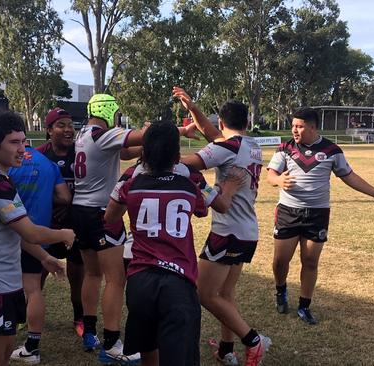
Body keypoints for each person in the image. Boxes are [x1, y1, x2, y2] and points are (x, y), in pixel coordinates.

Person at [71, 94, 196, 363]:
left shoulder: (83, 134)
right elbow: (144, 136)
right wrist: (182, 130)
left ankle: (89, 331)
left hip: (79, 209)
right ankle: (113, 342)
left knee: (92, 274)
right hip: (100, 212)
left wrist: (149, 147)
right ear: (109, 112)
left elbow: (128, 152)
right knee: (116, 279)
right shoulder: (102, 134)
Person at [0, 109, 74, 366]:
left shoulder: (2, 178)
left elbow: (16, 232)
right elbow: (30, 231)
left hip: (8, 283)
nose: (22, 149)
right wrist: (64, 234)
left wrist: (45, 258)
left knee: (4, 353)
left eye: (24, 141)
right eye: (14, 142)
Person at [173, 87, 270, 366]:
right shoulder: (251, 145)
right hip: (247, 230)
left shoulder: (226, 147)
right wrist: (193, 109)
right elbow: (215, 137)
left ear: (222, 123)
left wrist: (163, 147)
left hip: (227, 231)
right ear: (247, 124)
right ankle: (227, 350)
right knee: (225, 294)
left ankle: (253, 340)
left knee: (204, 294)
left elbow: (183, 163)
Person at [103, 122, 213, 366]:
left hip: (140, 279)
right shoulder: (188, 186)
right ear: (176, 156)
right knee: (180, 355)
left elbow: (109, 217)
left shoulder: (130, 185)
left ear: (144, 153)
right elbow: (203, 211)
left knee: (147, 346)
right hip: (179, 281)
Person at [266, 107, 374, 325]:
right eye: (293, 125)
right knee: (280, 261)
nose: (294, 130)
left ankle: (304, 306)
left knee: (310, 261)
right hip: (288, 212)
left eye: (299, 126)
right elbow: (271, 175)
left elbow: (349, 177)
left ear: (313, 127)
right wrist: (278, 181)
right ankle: (281, 290)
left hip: (317, 213)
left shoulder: (332, 150)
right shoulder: (285, 148)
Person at [8, 140, 72, 364]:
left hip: (9, 233)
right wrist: (46, 197)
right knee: (33, 289)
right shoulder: (47, 163)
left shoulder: (6, 163)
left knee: (2, 286)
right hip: (39, 232)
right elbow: (65, 197)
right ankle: (32, 346)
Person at [35, 108, 86, 338]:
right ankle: (28, 315)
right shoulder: (38, 156)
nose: (68, 130)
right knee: (37, 274)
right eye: (61, 125)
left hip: (76, 226)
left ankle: (79, 316)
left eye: (70, 124)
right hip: (47, 226)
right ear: (48, 130)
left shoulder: (82, 153)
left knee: (78, 276)